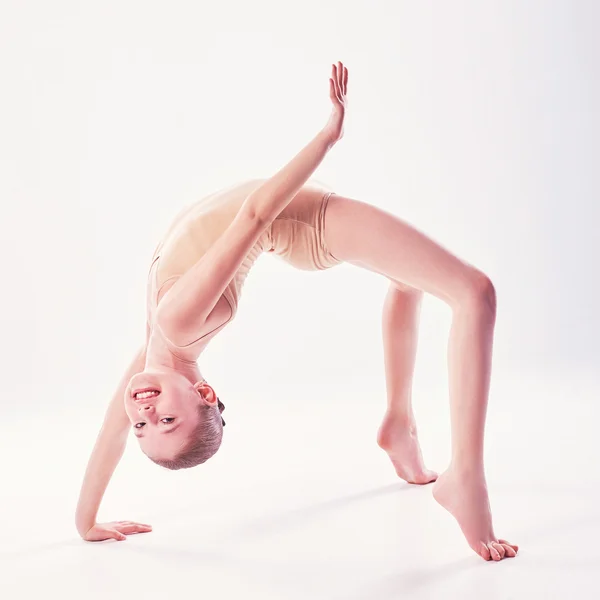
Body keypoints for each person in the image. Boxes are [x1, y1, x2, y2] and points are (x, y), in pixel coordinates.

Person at [75, 61, 518, 562]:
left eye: (143, 427)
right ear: (203, 392)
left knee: (406, 278)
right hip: (309, 223)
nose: (145, 414)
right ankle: (466, 478)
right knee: (474, 293)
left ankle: (399, 423)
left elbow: (107, 438)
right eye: (167, 421)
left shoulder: (152, 354)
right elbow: (256, 214)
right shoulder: (176, 323)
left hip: (288, 229)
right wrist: (327, 137)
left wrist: (85, 521)